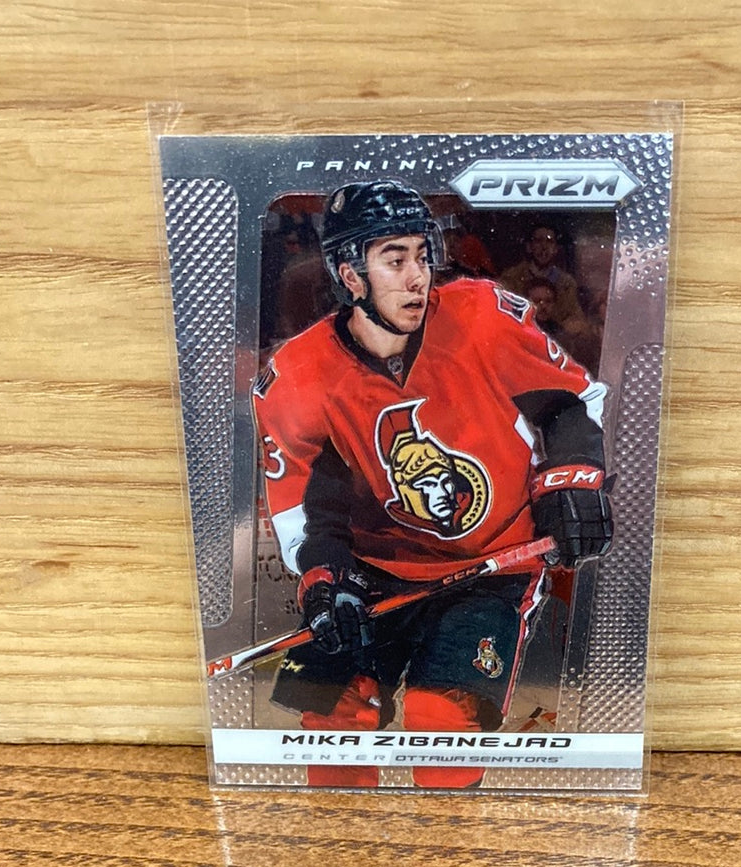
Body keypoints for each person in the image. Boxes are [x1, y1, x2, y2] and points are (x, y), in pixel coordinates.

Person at [252, 180, 613, 788]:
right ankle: (337, 842)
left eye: (422, 255)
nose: (417, 277)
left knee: (443, 722)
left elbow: (569, 404)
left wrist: (572, 484)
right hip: (376, 570)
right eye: (395, 260)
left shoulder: (479, 317)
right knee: (331, 722)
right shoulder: (296, 376)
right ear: (350, 275)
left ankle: (449, 842)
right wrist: (325, 582)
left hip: (490, 564)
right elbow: (304, 507)